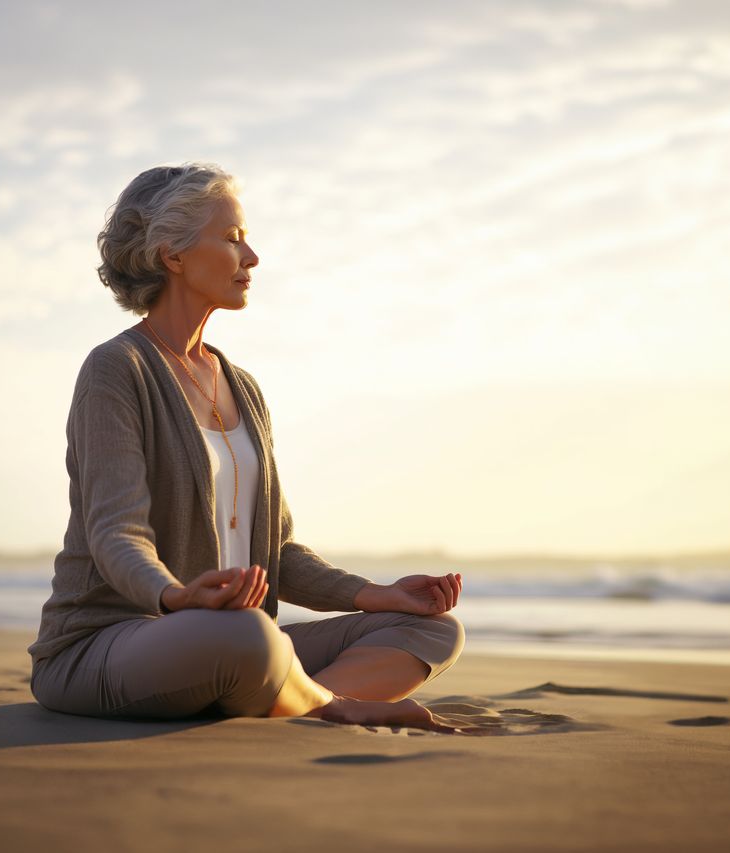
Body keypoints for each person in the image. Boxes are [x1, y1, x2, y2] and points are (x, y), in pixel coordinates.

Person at [27, 162, 464, 730]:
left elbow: (278, 554)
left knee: (433, 630)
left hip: (234, 641)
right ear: (173, 255)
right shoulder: (117, 369)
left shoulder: (244, 388)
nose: (252, 257)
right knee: (250, 635)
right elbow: (116, 534)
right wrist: (176, 597)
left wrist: (375, 594)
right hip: (106, 645)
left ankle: (284, 698)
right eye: (233, 239)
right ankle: (327, 704)